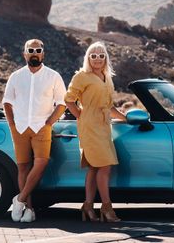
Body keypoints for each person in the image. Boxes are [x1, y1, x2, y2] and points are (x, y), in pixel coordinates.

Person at [2, 39, 67, 222]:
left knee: (41, 163)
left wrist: (49, 123)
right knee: (23, 167)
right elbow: (7, 101)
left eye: (38, 50)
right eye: (30, 50)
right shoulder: (16, 76)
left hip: (41, 127)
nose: (34, 53)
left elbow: (62, 103)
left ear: (43, 54)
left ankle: (20, 199)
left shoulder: (53, 76)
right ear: (25, 54)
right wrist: (12, 125)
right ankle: (29, 210)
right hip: (20, 127)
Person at [65, 41, 126, 222]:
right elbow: (69, 99)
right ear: (88, 58)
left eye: (101, 55)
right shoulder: (82, 76)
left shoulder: (107, 77)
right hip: (90, 126)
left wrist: (125, 118)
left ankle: (88, 206)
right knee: (105, 167)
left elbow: (108, 106)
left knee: (94, 168)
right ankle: (107, 208)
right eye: (93, 55)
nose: (97, 59)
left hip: (104, 126)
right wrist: (80, 116)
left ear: (105, 58)